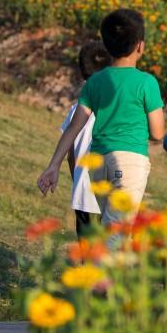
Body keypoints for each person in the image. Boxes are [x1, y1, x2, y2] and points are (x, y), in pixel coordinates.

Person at [38, 10, 165, 225]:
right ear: (140, 46)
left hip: (98, 165)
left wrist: (53, 166)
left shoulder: (95, 82)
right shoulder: (146, 83)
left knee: (109, 229)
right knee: (118, 233)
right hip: (129, 162)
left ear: (107, 46)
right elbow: (157, 133)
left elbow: (73, 128)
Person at [61, 43, 110, 235]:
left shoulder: (77, 110)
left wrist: (78, 180)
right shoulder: (116, 109)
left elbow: (70, 155)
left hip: (84, 194)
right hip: (111, 193)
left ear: (82, 72)